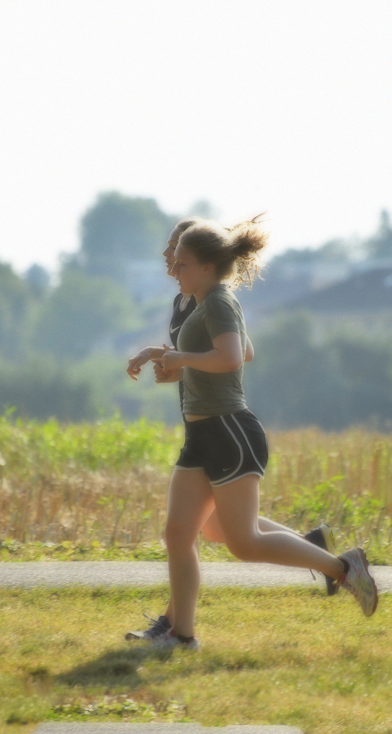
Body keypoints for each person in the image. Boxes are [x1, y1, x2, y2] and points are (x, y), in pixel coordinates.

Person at [148, 217, 377, 650]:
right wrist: (173, 363)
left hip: (228, 433)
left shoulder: (218, 302)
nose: (172, 268)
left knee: (244, 541)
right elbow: (229, 353)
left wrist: (182, 359)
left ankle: (343, 569)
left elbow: (234, 358)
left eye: (180, 262)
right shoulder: (202, 302)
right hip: (201, 435)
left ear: (206, 266)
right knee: (180, 534)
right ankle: (180, 635)